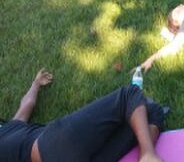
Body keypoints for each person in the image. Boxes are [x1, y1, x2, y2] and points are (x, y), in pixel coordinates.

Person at [0, 69, 165, 162]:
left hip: (63, 154)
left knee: (153, 111)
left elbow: (26, 105)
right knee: (129, 95)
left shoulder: (10, 128)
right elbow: (25, 107)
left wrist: (35, 84)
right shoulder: (7, 132)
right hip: (52, 147)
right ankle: (147, 154)